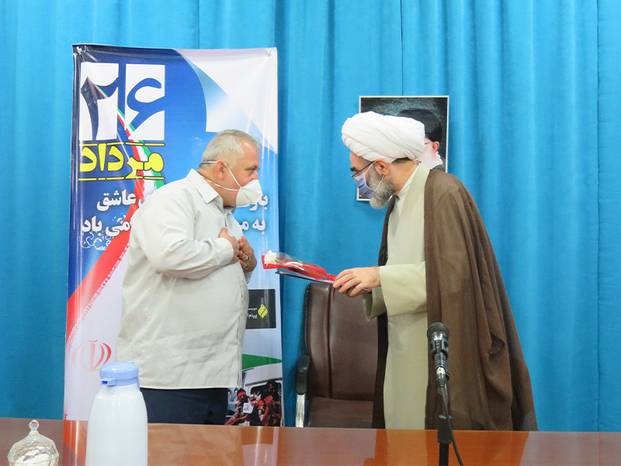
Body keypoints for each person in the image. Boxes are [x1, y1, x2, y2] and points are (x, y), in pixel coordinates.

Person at [334, 111, 537, 431]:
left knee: (430, 438)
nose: (358, 180)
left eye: (358, 172)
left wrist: (378, 276)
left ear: (382, 166)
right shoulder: (397, 202)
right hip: (404, 346)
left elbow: (456, 277)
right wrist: (371, 286)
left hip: (439, 349)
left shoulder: (443, 192)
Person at [116, 129, 262, 425]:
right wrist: (225, 249)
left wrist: (245, 264)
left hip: (211, 375)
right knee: (168, 450)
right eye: (251, 170)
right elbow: (168, 255)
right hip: (169, 377)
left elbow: (215, 271)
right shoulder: (174, 198)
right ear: (221, 168)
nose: (255, 179)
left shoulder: (225, 214)